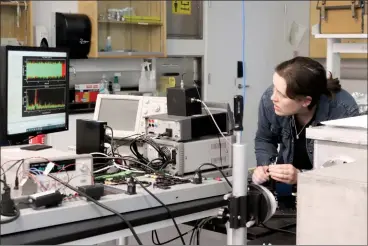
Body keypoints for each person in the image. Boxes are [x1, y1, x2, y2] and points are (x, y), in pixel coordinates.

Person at [252, 56, 360, 185]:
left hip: (325, 187)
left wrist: (301, 176)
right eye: (274, 87)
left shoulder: (342, 110)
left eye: (281, 94)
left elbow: (347, 170)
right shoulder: (271, 101)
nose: (272, 97)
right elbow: (265, 139)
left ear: (306, 101)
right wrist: (264, 167)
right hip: (286, 187)